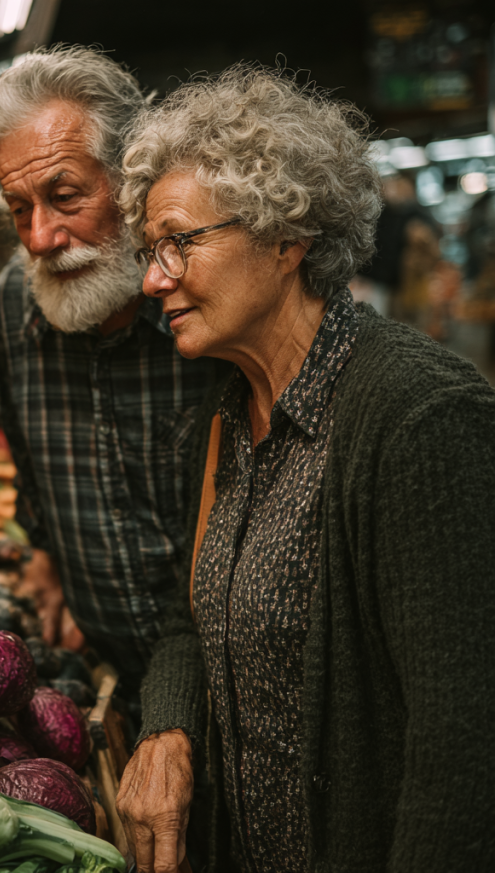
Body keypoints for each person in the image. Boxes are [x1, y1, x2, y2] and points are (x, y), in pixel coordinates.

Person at [114, 66, 495, 873]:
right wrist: (169, 725)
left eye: (179, 241)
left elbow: (462, 743)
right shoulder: (224, 414)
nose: (153, 279)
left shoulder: (417, 418)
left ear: (287, 236)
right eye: (150, 251)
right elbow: (194, 615)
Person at [0, 46, 230, 684]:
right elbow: (31, 472)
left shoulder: (205, 295)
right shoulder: (15, 301)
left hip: (238, 685)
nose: (40, 238)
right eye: (18, 209)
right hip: (110, 680)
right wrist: (46, 555)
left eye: (64, 196)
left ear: (131, 177)